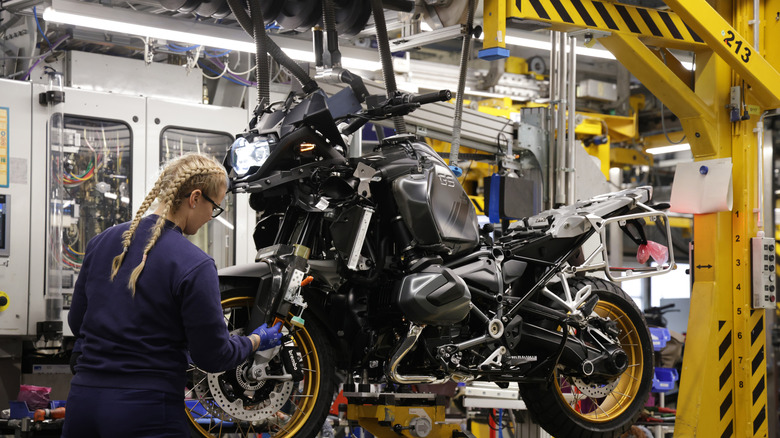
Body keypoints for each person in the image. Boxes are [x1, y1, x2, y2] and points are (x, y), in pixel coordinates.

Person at [62, 153, 282, 437]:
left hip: (82, 405)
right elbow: (213, 356)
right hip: (146, 411)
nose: (210, 218)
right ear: (195, 198)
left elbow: (78, 323)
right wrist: (254, 341)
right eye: (214, 208)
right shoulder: (195, 264)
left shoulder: (100, 242)